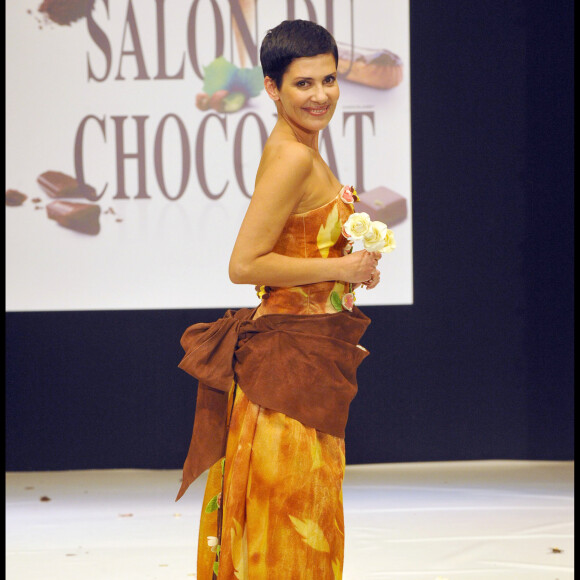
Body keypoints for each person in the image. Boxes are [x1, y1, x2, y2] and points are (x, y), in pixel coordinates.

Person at [176, 19, 382, 579]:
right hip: (286, 365)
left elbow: (297, 247)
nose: (321, 96)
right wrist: (344, 265)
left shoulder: (299, 147)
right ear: (272, 88)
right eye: (303, 84)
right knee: (292, 522)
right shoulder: (291, 155)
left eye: (330, 79)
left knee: (300, 514)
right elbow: (244, 264)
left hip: (304, 355)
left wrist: (347, 270)